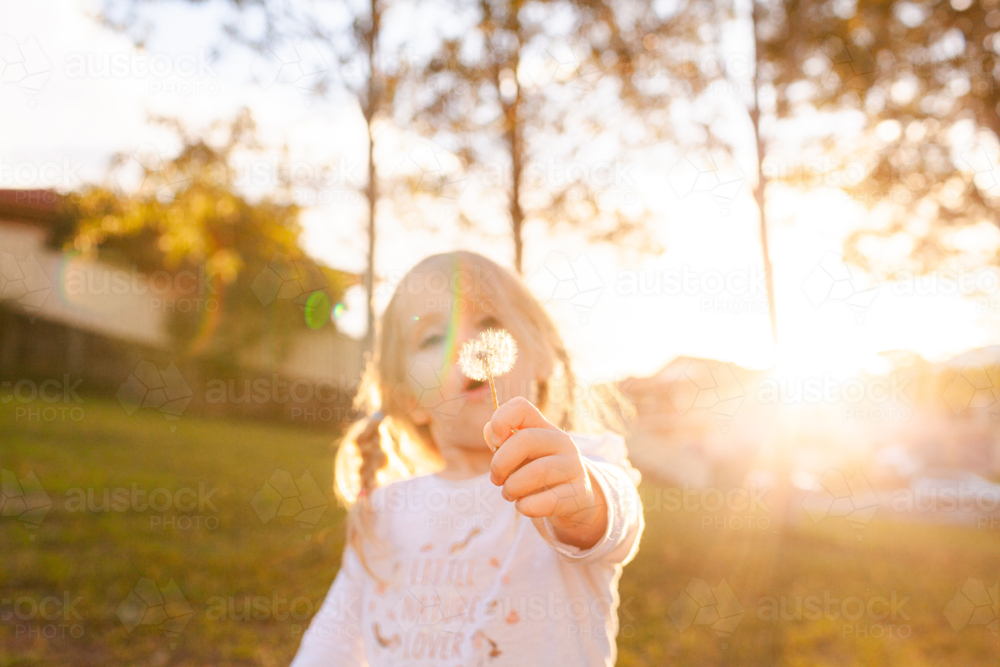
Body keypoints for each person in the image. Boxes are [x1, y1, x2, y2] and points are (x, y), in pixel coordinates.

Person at [291, 250, 643, 666]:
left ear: (541, 355)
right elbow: (332, 642)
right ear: (409, 398)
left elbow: (618, 520)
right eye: (432, 338)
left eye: (489, 322)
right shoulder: (385, 509)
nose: (463, 343)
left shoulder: (574, 468)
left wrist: (584, 503)